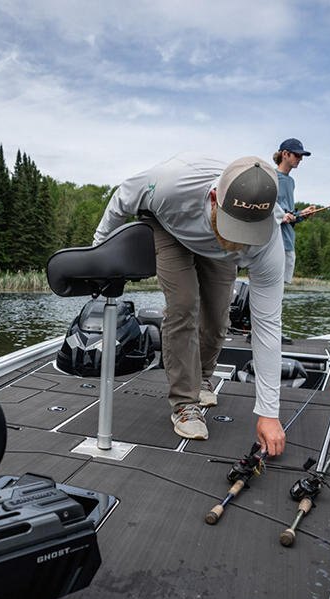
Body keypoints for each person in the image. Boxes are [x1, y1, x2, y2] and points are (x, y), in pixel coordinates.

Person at [92, 154, 287, 457]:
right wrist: (98, 253)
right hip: (168, 226)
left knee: (219, 315)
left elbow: (268, 326)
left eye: (248, 232)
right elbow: (121, 200)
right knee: (184, 305)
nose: (240, 241)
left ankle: (203, 378)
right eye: (233, 226)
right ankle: (185, 403)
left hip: (215, 251)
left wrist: (269, 413)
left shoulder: (269, 240)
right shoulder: (171, 183)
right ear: (214, 198)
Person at [273, 138, 317, 283]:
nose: (301, 159)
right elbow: (265, 209)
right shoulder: (269, 176)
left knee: (281, 289)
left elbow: (289, 213)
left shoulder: (291, 182)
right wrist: (282, 216)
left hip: (288, 242)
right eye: (297, 155)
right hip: (273, 242)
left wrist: (302, 214)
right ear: (285, 154)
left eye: (301, 156)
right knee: (271, 285)